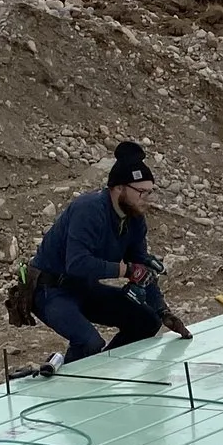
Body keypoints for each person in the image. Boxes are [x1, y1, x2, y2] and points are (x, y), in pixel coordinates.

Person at [27, 142, 192, 363]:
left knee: (147, 321)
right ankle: (66, 387)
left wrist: (162, 310)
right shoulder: (89, 210)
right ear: (118, 188)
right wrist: (125, 270)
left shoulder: (135, 219)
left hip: (83, 286)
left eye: (150, 192)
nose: (147, 199)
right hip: (51, 289)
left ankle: (103, 369)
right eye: (141, 192)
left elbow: (141, 265)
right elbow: (76, 263)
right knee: (89, 342)